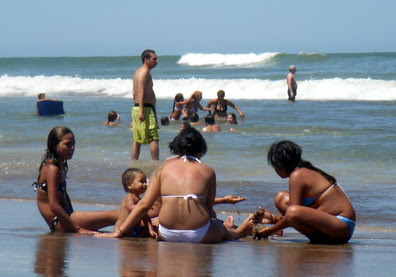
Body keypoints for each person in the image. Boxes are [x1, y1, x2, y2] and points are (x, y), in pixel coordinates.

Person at [96, 127, 255, 243]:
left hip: (167, 233)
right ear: (201, 149)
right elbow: (207, 207)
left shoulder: (163, 168)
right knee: (219, 226)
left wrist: (119, 232)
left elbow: (144, 204)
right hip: (199, 234)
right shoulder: (208, 171)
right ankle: (237, 232)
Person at [255, 140, 356, 244]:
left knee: (293, 211)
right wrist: (274, 219)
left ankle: (318, 238)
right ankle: (317, 238)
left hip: (342, 226)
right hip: (332, 225)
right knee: (281, 198)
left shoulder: (297, 175)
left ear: (281, 164)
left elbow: (293, 214)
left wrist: (271, 230)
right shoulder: (302, 170)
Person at [32, 126, 119, 234]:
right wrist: (78, 229)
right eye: (67, 144)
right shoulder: (51, 169)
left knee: (121, 213)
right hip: (60, 223)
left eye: (73, 143)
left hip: (67, 218)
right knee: (118, 214)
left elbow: (64, 195)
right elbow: (54, 206)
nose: (72, 147)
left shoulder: (60, 165)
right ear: (54, 145)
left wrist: (75, 215)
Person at [131, 49, 159, 160]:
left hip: (138, 107)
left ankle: (134, 162)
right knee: (153, 138)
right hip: (145, 109)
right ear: (146, 60)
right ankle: (155, 164)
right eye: (154, 59)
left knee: (137, 139)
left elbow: (134, 92)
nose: (157, 61)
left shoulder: (138, 71)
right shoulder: (144, 72)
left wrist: (138, 109)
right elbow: (140, 91)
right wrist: (142, 111)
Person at [114, 168, 158, 238]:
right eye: (141, 182)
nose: (145, 184)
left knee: (155, 230)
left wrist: (150, 229)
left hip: (134, 228)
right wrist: (145, 207)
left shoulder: (140, 200)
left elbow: (146, 218)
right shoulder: (129, 197)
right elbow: (131, 208)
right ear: (129, 185)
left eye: (145, 182)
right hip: (122, 228)